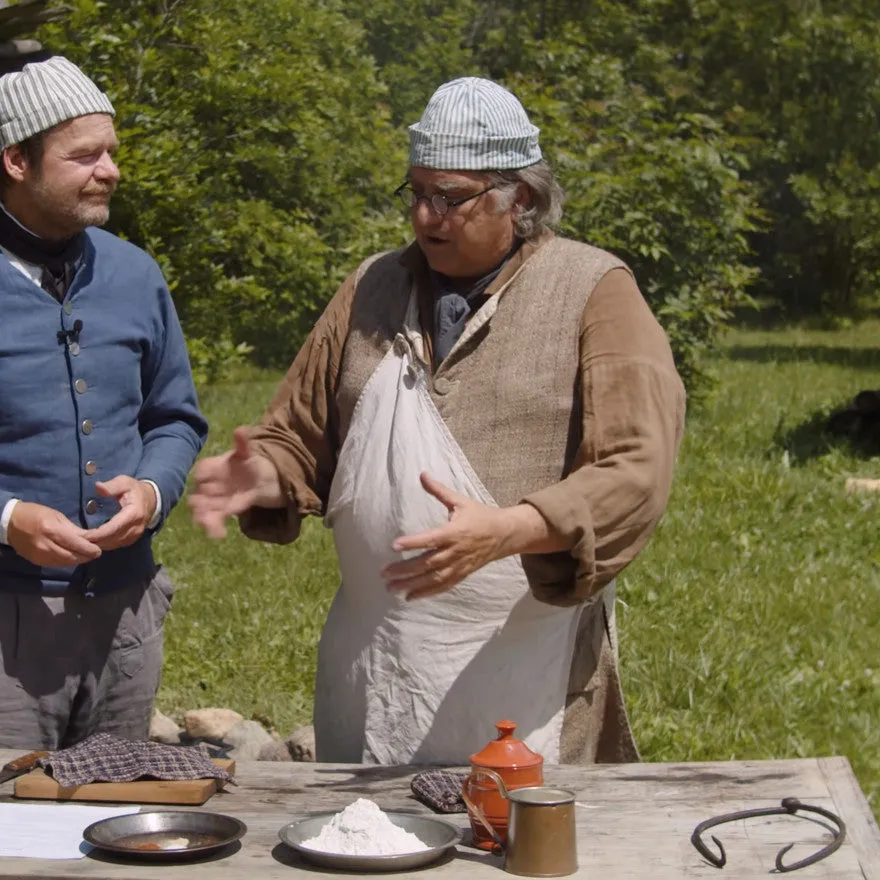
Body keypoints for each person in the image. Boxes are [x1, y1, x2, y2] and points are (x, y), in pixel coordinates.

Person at [189, 77, 685, 765]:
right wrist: (264, 473)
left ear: (524, 200)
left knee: (516, 852)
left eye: (451, 197)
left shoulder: (593, 291)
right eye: (416, 193)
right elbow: (297, 435)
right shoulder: (371, 288)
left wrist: (510, 530)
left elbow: (635, 468)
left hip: (526, 665)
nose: (426, 217)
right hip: (376, 666)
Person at [0, 57, 207, 749]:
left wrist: (151, 490)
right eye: (84, 155)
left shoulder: (134, 273)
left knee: (115, 824)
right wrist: (7, 518)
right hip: (7, 628)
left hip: (127, 616)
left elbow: (174, 417)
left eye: (111, 151)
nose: (110, 170)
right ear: (16, 161)